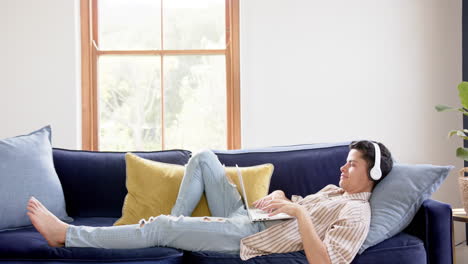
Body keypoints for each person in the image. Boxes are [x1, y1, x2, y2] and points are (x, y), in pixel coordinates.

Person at [27, 140, 393, 264]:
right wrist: (281, 198)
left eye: (353, 164)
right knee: (203, 157)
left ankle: (67, 236)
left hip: (247, 237)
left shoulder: (356, 211)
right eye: (345, 161)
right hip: (248, 216)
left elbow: (326, 261)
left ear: (372, 174)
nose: (343, 167)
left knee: (161, 228)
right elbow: (296, 205)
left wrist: (297, 213)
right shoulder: (334, 192)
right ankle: (172, 227)